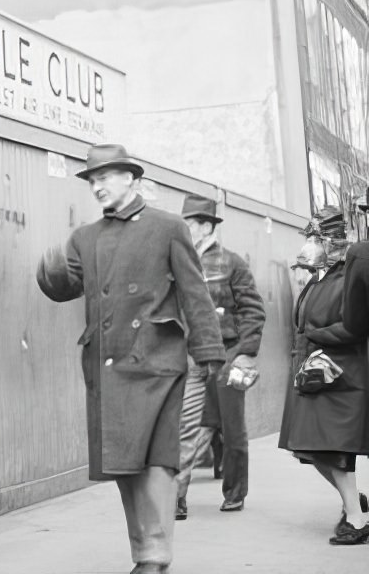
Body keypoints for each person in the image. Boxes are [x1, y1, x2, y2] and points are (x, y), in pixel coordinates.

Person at [37, 143, 224, 574]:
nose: (98, 186)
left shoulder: (167, 227)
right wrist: (49, 273)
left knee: (157, 460)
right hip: (108, 364)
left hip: (158, 361)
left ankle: (156, 554)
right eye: (92, 180)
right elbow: (68, 286)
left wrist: (209, 350)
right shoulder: (85, 237)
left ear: (132, 179)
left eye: (105, 177)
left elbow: (195, 292)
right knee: (123, 463)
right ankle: (143, 552)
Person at [279, 206, 369, 545]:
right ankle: (353, 503)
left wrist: (318, 336)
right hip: (312, 373)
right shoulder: (318, 276)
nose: (307, 244)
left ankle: (356, 518)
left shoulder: (349, 274)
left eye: (312, 237)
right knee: (308, 449)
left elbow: (355, 327)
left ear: (326, 240)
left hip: (340, 376)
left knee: (332, 451)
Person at [174, 194, 265, 519]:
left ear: (205, 226)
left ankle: (235, 492)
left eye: (190, 223)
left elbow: (253, 311)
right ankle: (176, 497)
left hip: (227, 354)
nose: (185, 228)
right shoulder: (179, 261)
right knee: (185, 426)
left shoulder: (232, 262)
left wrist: (244, 353)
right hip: (192, 355)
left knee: (232, 428)